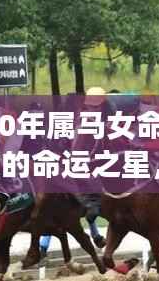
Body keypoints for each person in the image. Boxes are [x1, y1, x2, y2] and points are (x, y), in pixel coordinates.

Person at [39, 87, 108, 257]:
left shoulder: (80, 120)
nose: (84, 109)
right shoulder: (71, 122)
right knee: (70, 202)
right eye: (83, 105)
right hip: (61, 164)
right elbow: (60, 146)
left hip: (63, 163)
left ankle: (94, 234)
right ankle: (43, 245)